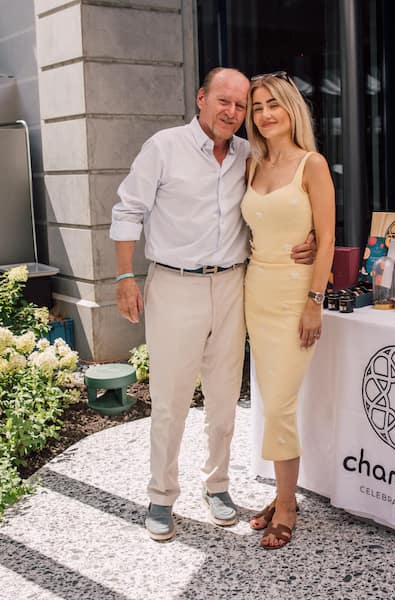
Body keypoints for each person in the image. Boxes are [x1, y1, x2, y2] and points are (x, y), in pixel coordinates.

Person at [110, 67, 314, 541]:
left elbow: (282, 203)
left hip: (232, 285)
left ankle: (217, 485)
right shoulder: (164, 146)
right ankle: (161, 495)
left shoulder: (248, 154)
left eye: (242, 106)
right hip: (174, 285)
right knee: (171, 399)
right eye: (225, 101)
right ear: (201, 98)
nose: (234, 112)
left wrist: (307, 240)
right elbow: (128, 210)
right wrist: (124, 276)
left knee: (225, 397)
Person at [241, 71, 335, 549]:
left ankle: (287, 504)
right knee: (269, 398)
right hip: (255, 291)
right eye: (257, 107)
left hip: (296, 296)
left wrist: (314, 302)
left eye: (273, 104)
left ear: (292, 108)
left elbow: (328, 237)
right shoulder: (252, 165)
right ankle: (281, 495)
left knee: (280, 403)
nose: (265, 114)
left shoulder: (311, 164)